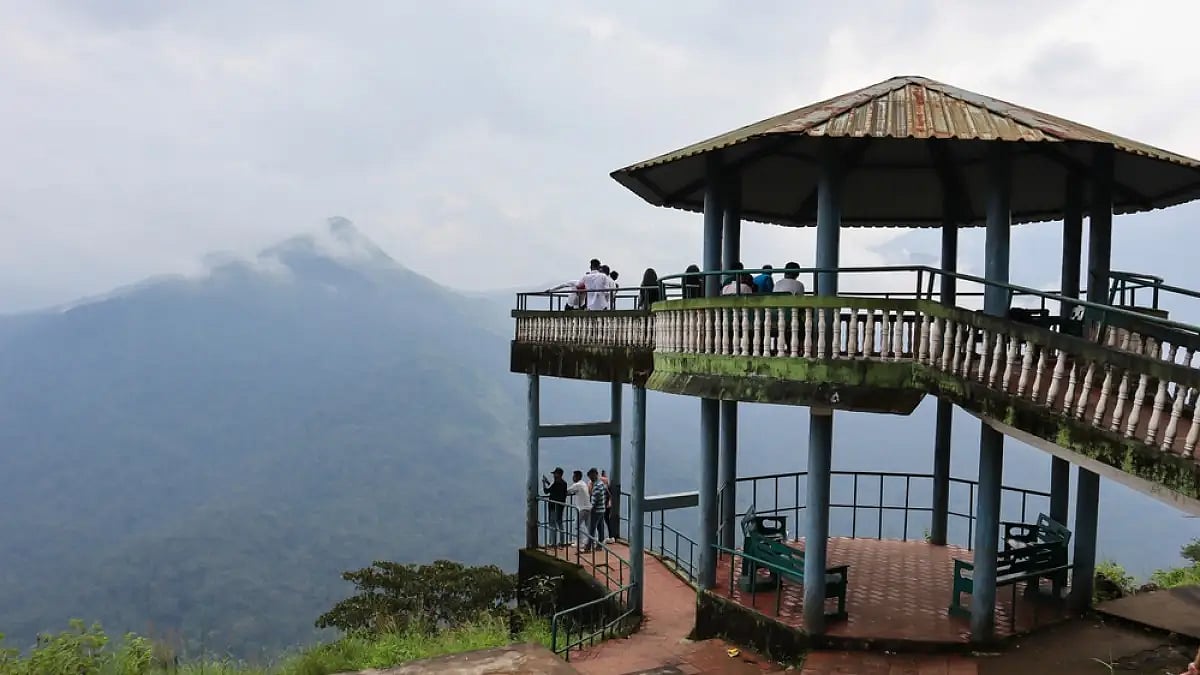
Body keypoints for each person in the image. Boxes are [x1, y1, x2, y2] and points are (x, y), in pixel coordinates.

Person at [541, 467, 568, 547]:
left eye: (555, 474)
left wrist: (543, 483)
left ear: (558, 474)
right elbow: (554, 489)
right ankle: (562, 542)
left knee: (552, 524)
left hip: (553, 506)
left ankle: (553, 543)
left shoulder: (555, 483)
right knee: (560, 523)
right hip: (561, 505)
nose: (554, 475)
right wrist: (548, 482)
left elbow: (546, 491)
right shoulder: (564, 483)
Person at [566, 470, 592, 550]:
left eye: (574, 476)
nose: (573, 478)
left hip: (582, 508)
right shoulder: (583, 483)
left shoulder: (577, 485)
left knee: (577, 525)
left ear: (577, 477)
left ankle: (579, 542)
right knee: (589, 526)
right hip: (588, 507)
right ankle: (592, 541)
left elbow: (566, 491)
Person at [586, 467, 608, 549]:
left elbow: (594, 500)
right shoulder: (601, 484)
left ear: (595, 475)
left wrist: (590, 509)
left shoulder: (597, 486)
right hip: (602, 509)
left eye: (591, 477)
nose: (590, 479)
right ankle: (600, 545)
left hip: (596, 510)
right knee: (600, 528)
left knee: (592, 528)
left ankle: (589, 546)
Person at [599, 469, 616, 542]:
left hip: (605, 505)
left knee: (603, 520)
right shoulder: (607, 485)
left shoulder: (603, 486)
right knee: (606, 520)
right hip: (607, 504)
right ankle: (610, 536)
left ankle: (606, 537)